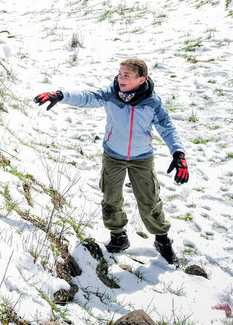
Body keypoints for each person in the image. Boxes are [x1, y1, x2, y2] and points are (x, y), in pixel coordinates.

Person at [34, 58, 189, 265]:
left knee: (150, 200)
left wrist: (178, 153)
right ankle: (118, 236)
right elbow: (87, 97)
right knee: (110, 197)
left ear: (141, 80)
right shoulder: (111, 94)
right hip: (113, 156)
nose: (120, 78)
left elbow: (167, 128)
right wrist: (61, 95)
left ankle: (162, 240)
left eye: (127, 75)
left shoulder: (152, 102)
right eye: (120, 73)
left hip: (142, 158)